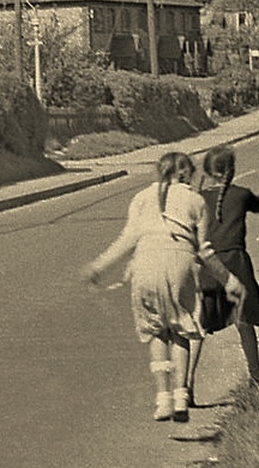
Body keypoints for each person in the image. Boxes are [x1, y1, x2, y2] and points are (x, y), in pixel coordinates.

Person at [82, 151, 244, 422]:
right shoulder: (196, 200)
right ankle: (182, 395)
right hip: (180, 266)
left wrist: (98, 266)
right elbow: (204, 252)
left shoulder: (141, 198)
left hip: (145, 266)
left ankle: (163, 400)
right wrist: (229, 279)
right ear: (189, 173)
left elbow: (127, 239)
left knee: (156, 331)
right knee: (181, 330)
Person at [185, 144, 259, 403]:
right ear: (232, 170)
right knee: (245, 323)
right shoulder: (242, 195)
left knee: (200, 327)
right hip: (237, 264)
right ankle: (256, 380)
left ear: (207, 170)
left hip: (209, 266)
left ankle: (187, 387)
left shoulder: (198, 198)